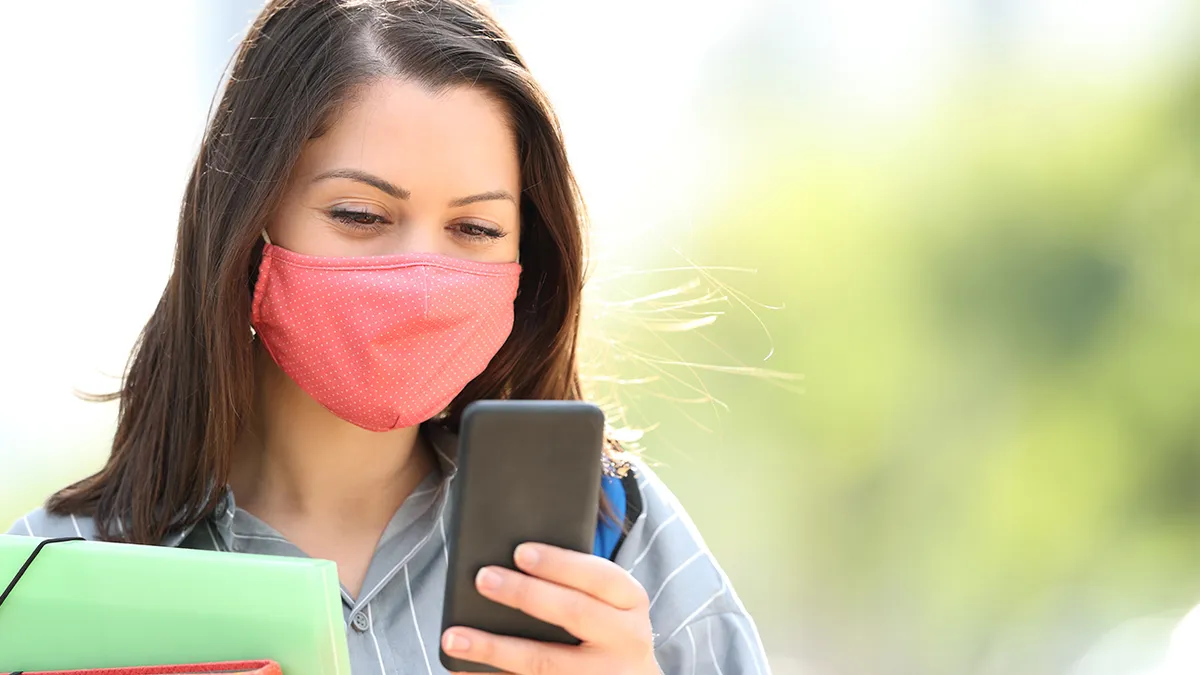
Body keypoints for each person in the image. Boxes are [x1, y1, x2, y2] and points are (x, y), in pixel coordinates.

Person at [7, 1, 770, 673]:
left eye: (475, 228)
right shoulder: (51, 570)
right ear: (246, 224)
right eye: (361, 215)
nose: (422, 278)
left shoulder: (617, 532)